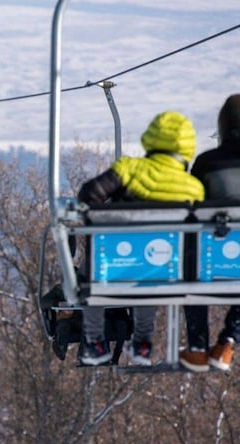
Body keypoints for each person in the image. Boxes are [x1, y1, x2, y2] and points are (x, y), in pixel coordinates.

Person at [78, 110, 204, 366]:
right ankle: (143, 343)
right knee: (151, 269)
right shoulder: (193, 187)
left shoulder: (130, 169)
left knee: (89, 275)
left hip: (113, 266)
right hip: (167, 270)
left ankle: (94, 341)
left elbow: (88, 195)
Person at [181, 94, 240, 372]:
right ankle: (228, 342)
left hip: (210, 256)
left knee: (192, 263)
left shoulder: (206, 162)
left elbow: (191, 202)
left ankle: (197, 346)